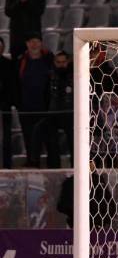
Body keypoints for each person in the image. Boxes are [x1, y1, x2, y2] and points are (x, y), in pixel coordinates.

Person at [16, 31, 52, 168]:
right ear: (27, 44)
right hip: (26, 105)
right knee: (28, 134)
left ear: (41, 43)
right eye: (31, 41)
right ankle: (32, 161)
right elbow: (16, 83)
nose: (34, 44)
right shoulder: (21, 61)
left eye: (36, 41)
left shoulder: (48, 59)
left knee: (47, 136)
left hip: (44, 105)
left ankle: (51, 163)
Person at [36, 51, 72, 169]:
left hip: (71, 114)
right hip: (53, 114)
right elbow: (45, 95)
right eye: (58, 62)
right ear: (54, 62)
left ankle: (76, 168)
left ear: (68, 62)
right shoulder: (49, 76)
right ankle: (53, 168)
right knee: (51, 142)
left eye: (63, 62)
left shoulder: (74, 75)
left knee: (75, 142)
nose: (61, 65)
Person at [57, 159, 116, 229]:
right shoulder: (70, 183)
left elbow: (110, 205)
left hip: (97, 224)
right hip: (77, 225)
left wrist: (103, 220)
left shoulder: (98, 180)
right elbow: (62, 206)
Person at [0, 37, 14, 169]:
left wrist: (7, 102)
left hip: (4, 107)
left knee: (6, 137)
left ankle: (7, 164)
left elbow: (12, 86)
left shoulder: (8, 64)